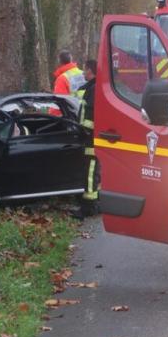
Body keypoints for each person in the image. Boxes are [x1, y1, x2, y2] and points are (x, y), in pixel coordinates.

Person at [75, 59, 99, 218]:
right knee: (92, 173)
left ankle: (88, 207)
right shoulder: (92, 87)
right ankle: (93, 204)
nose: (83, 73)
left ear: (90, 70)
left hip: (90, 140)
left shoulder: (94, 89)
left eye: (85, 70)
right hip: (90, 138)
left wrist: (84, 131)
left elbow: (90, 116)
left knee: (90, 174)